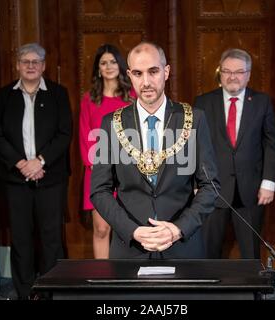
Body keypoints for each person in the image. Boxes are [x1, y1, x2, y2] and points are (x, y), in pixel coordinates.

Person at [90, 41, 219, 259]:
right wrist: (133, 231)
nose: (146, 82)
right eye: (138, 74)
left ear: (166, 72)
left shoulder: (194, 119)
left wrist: (178, 229)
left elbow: (210, 185)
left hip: (183, 248)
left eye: (153, 71)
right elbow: (99, 190)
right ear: (129, 75)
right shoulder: (111, 123)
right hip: (129, 249)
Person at [0, 43, 72, 299]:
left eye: (36, 61)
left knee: (51, 237)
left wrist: (40, 161)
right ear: (17, 65)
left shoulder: (58, 93)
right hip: (16, 178)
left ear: (44, 66)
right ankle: (25, 291)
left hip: (50, 177)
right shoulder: (5, 95)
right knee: (22, 237)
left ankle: (50, 289)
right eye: (25, 61)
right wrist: (21, 163)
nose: (30, 66)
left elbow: (64, 133)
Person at [194, 48, 275, 259]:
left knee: (251, 252)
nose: (232, 76)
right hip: (212, 189)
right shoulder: (203, 103)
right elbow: (193, 146)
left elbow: (271, 144)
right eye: (227, 71)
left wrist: (268, 183)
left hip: (251, 190)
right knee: (208, 250)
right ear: (220, 73)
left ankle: (251, 292)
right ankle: (208, 291)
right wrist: (195, 184)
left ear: (248, 74)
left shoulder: (262, 102)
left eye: (239, 72)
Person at [79, 44, 135, 259]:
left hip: (128, 172)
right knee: (101, 229)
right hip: (98, 172)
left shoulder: (132, 97)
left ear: (120, 66)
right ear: (98, 68)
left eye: (113, 62)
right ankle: (102, 281)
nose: (109, 66)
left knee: (127, 230)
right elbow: (86, 135)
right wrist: (96, 164)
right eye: (103, 63)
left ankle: (125, 282)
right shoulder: (89, 99)